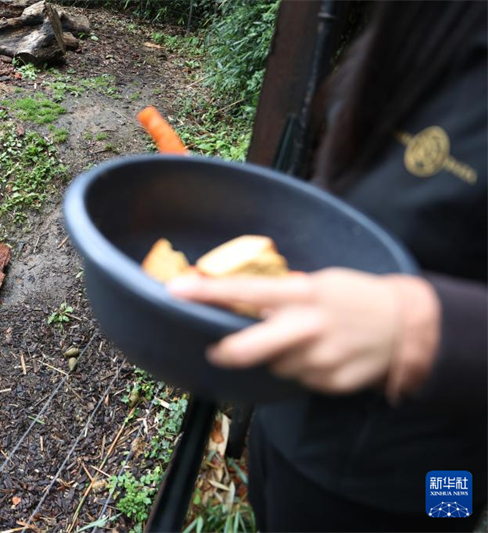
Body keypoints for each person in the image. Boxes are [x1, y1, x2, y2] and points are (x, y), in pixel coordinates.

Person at [167, 2, 487, 531]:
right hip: (292, 425)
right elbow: (344, 197)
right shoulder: (415, 24)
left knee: (446, 518)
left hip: (425, 476)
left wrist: (418, 326)